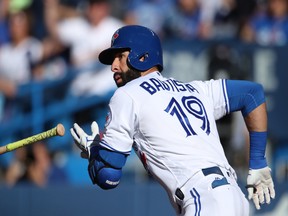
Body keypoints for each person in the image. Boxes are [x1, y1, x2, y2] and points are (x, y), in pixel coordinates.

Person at [70, 25, 275, 215]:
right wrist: (258, 163)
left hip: (203, 198)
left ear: (141, 56)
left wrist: (95, 151)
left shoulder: (128, 94)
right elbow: (252, 94)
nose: (113, 66)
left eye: (120, 57)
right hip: (234, 198)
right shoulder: (195, 89)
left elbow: (108, 177)